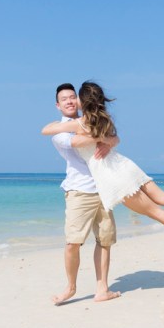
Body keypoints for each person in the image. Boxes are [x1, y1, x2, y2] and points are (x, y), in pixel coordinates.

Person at [42, 81, 164, 256]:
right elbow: (113, 138)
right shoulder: (104, 119)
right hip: (124, 165)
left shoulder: (79, 123)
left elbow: (46, 130)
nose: (73, 101)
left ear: (84, 101)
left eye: (76, 97)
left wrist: (93, 136)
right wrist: (102, 138)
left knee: (155, 212)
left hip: (112, 175)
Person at [47, 83, 121, 306]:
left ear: (79, 101)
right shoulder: (60, 132)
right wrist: (104, 138)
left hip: (104, 188)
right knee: (73, 242)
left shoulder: (91, 121)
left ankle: (102, 289)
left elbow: (116, 137)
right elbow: (77, 141)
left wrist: (110, 141)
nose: (69, 101)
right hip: (79, 191)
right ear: (58, 105)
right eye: (64, 99)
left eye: (72, 97)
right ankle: (70, 288)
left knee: (105, 240)